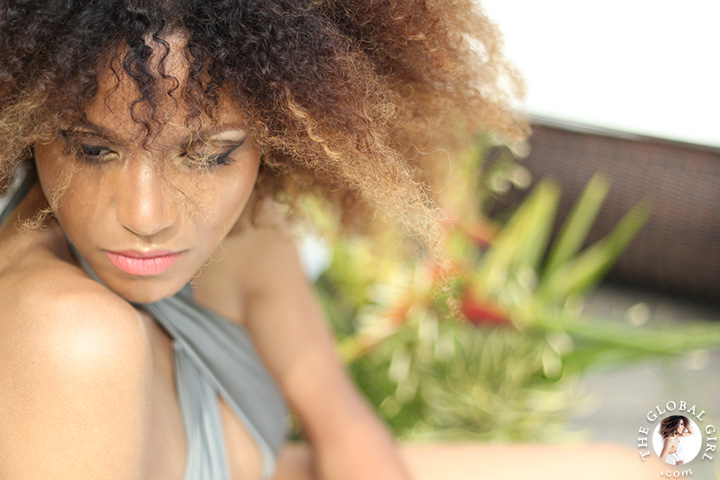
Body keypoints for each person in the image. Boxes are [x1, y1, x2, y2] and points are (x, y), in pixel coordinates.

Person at [0, 1, 524, 479]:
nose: (147, 215)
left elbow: (345, 431)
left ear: (276, 130)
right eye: (93, 149)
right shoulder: (72, 339)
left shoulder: (248, 230)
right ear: (26, 120)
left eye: (208, 155)